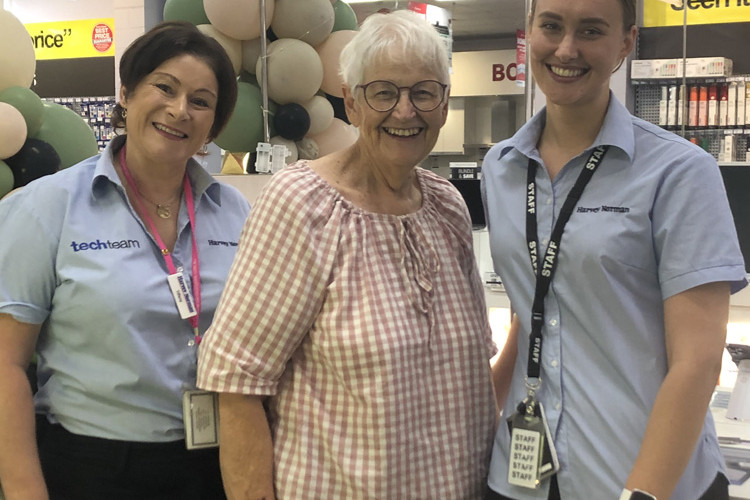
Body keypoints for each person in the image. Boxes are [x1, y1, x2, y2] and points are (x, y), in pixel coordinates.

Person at [197, 10, 497, 499]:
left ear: (444, 105)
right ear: (351, 103)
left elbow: (473, 375)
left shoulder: (447, 207)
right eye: (384, 92)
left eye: (424, 92)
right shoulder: (302, 204)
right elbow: (236, 384)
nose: (406, 111)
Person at [481, 0, 747, 499]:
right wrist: (475, 420)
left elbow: (699, 361)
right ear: (530, 31)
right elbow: (534, 305)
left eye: (591, 31)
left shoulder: (678, 172)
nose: (566, 49)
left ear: (626, 41)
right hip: (521, 479)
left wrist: (641, 494)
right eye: (552, 26)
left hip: (640, 477)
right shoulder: (501, 167)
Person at [0, 21, 250, 500]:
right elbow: (6, 366)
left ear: (213, 125)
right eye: (165, 87)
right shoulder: (46, 207)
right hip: (94, 468)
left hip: (216, 462)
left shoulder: (235, 213)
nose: (180, 110)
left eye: (201, 101)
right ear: (128, 92)